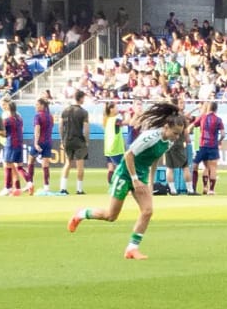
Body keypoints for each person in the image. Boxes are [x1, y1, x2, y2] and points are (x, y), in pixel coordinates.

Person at [67, 100, 189, 259]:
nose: (177, 136)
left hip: (141, 176)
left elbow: (154, 160)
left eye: (179, 133)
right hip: (125, 174)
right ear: (166, 127)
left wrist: (150, 183)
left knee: (147, 211)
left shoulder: (168, 142)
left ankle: (132, 248)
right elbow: (128, 155)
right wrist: (135, 179)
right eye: (175, 132)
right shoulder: (150, 137)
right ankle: (81, 213)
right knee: (111, 216)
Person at [59, 90, 89, 195]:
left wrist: (62, 139)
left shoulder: (65, 110)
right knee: (80, 165)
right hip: (79, 140)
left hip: (67, 139)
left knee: (68, 163)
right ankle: (79, 189)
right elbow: (85, 129)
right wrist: (86, 141)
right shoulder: (83, 112)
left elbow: (60, 126)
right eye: (83, 98)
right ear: (80, 98)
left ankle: (63, 188)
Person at [193, 101, 225, 194]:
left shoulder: (202, 117)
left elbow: (195, 124)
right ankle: (211, 190)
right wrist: (219, 141)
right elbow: (223, 134)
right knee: (212, 168)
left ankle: (197, 188)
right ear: (216, 109)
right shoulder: (218, 119)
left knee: (198, 166)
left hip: (203, 145)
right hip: (213, 146)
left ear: (208, 108)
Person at [2, 98, 29, 195]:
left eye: (3, 104)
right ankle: (24, 185)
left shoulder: (7, 117)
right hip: (17, 142)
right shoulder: (19, 117)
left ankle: (10, 188)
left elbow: (4, 131)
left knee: (9, 165)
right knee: (17, 167)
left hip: (10, 143)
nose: (2, 106)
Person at [101, 101, 125, 185]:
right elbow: (127, 122)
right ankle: (118, 186)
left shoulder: (106, 119)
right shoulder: (115, 120)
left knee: (111, 168)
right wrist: (126, 114)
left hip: (108, 148)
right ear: (111, 109)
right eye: (116, 107)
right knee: (120, 168)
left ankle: (111, 185)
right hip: (115, 148)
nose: (117, 109)